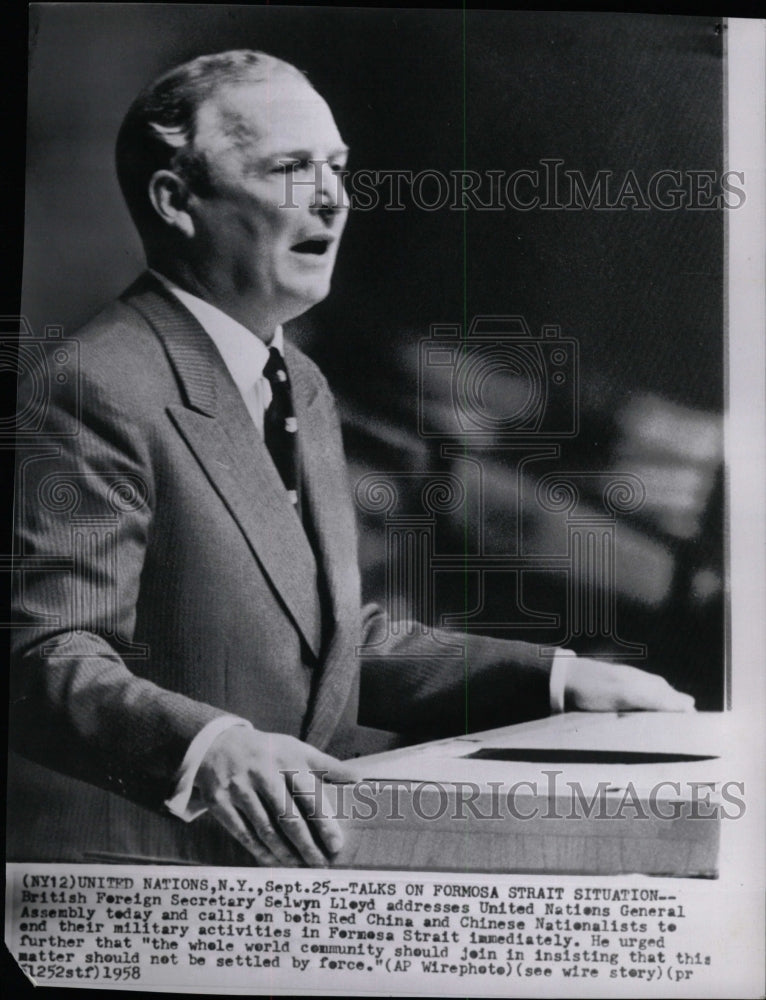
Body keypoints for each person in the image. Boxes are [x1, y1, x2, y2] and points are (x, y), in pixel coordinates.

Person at [9, 50, 694, 868]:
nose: (333, 196)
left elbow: (329, 646)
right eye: (292, 167)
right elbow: (45, 653)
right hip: (150, 876)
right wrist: (210, 747)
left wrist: (552, 679)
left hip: (295, 869)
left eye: (336, 166)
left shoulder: (301, 382)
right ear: (176, 201)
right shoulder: (93, 382)